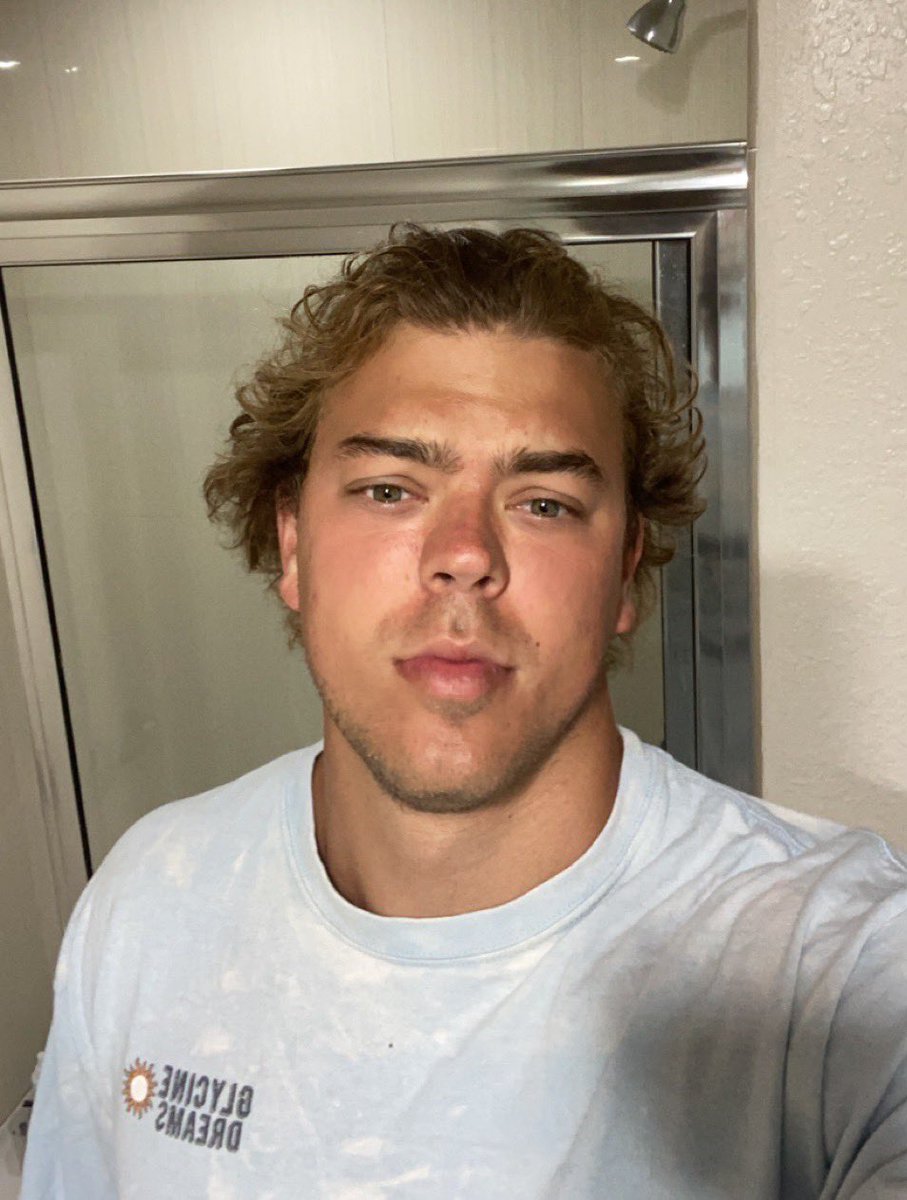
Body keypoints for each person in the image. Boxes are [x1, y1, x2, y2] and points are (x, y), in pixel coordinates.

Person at [20, 226, 907, 1199]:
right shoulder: (150, 900)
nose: (464, 554)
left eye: (543, 503)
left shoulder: (842, 972)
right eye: (389, 489)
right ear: (294, 545)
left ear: (624, 571)